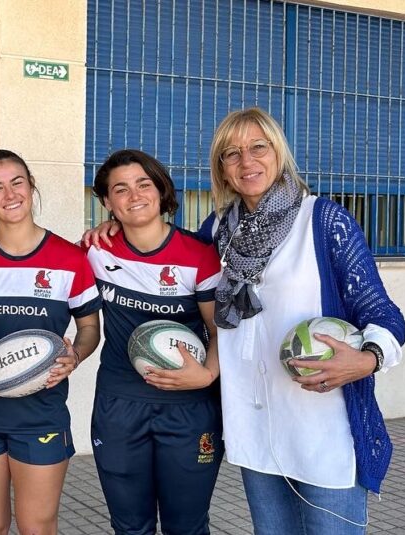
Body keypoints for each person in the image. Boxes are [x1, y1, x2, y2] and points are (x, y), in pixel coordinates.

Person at [203, 108, 405, 534]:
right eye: (231, 154)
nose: (247, 161)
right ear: (221, 168)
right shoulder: (218, 230)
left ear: (279, 152)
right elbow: (165, 251)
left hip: (323, 427)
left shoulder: (324, 221)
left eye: (258, 147)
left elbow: (379, 309)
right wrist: (110, 228)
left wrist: (367, 359)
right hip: (255, 424)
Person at [0, 150, 102, 535]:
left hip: (41, 414)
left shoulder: (70, 259)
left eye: (17, 182)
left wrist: (77, 354)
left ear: (31, 185)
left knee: (37, 525)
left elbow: (90, 327)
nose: (10, 194)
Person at [87, 149, 224, 534]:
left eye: (143, 184)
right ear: (106, 202)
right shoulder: (95, 251)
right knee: (130, 528)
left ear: (161, 190)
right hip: (119, 408)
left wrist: (208, 374)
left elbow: (220, 331)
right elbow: (34, 253)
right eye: (121, 189)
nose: (134, 196)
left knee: (187, 527)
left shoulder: (200, 256)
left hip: (188, 410)